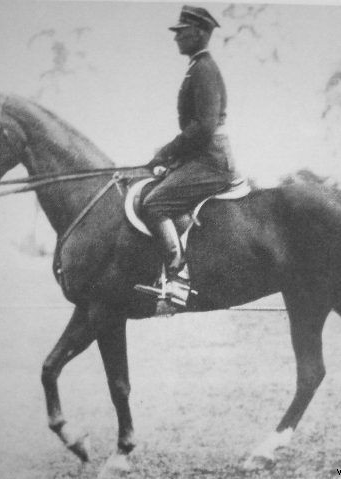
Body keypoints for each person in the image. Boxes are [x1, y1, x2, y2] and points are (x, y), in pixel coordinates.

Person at [136, 5, 237, 308]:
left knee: (154, 204)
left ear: (200, 33)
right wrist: (168, 160)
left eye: (182, 32)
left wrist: (166, 154)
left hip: (211, 162)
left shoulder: (204, 69)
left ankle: (179, 276)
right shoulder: (197, 67)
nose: (176, 37)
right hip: (201, 158)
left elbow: (204, 127)